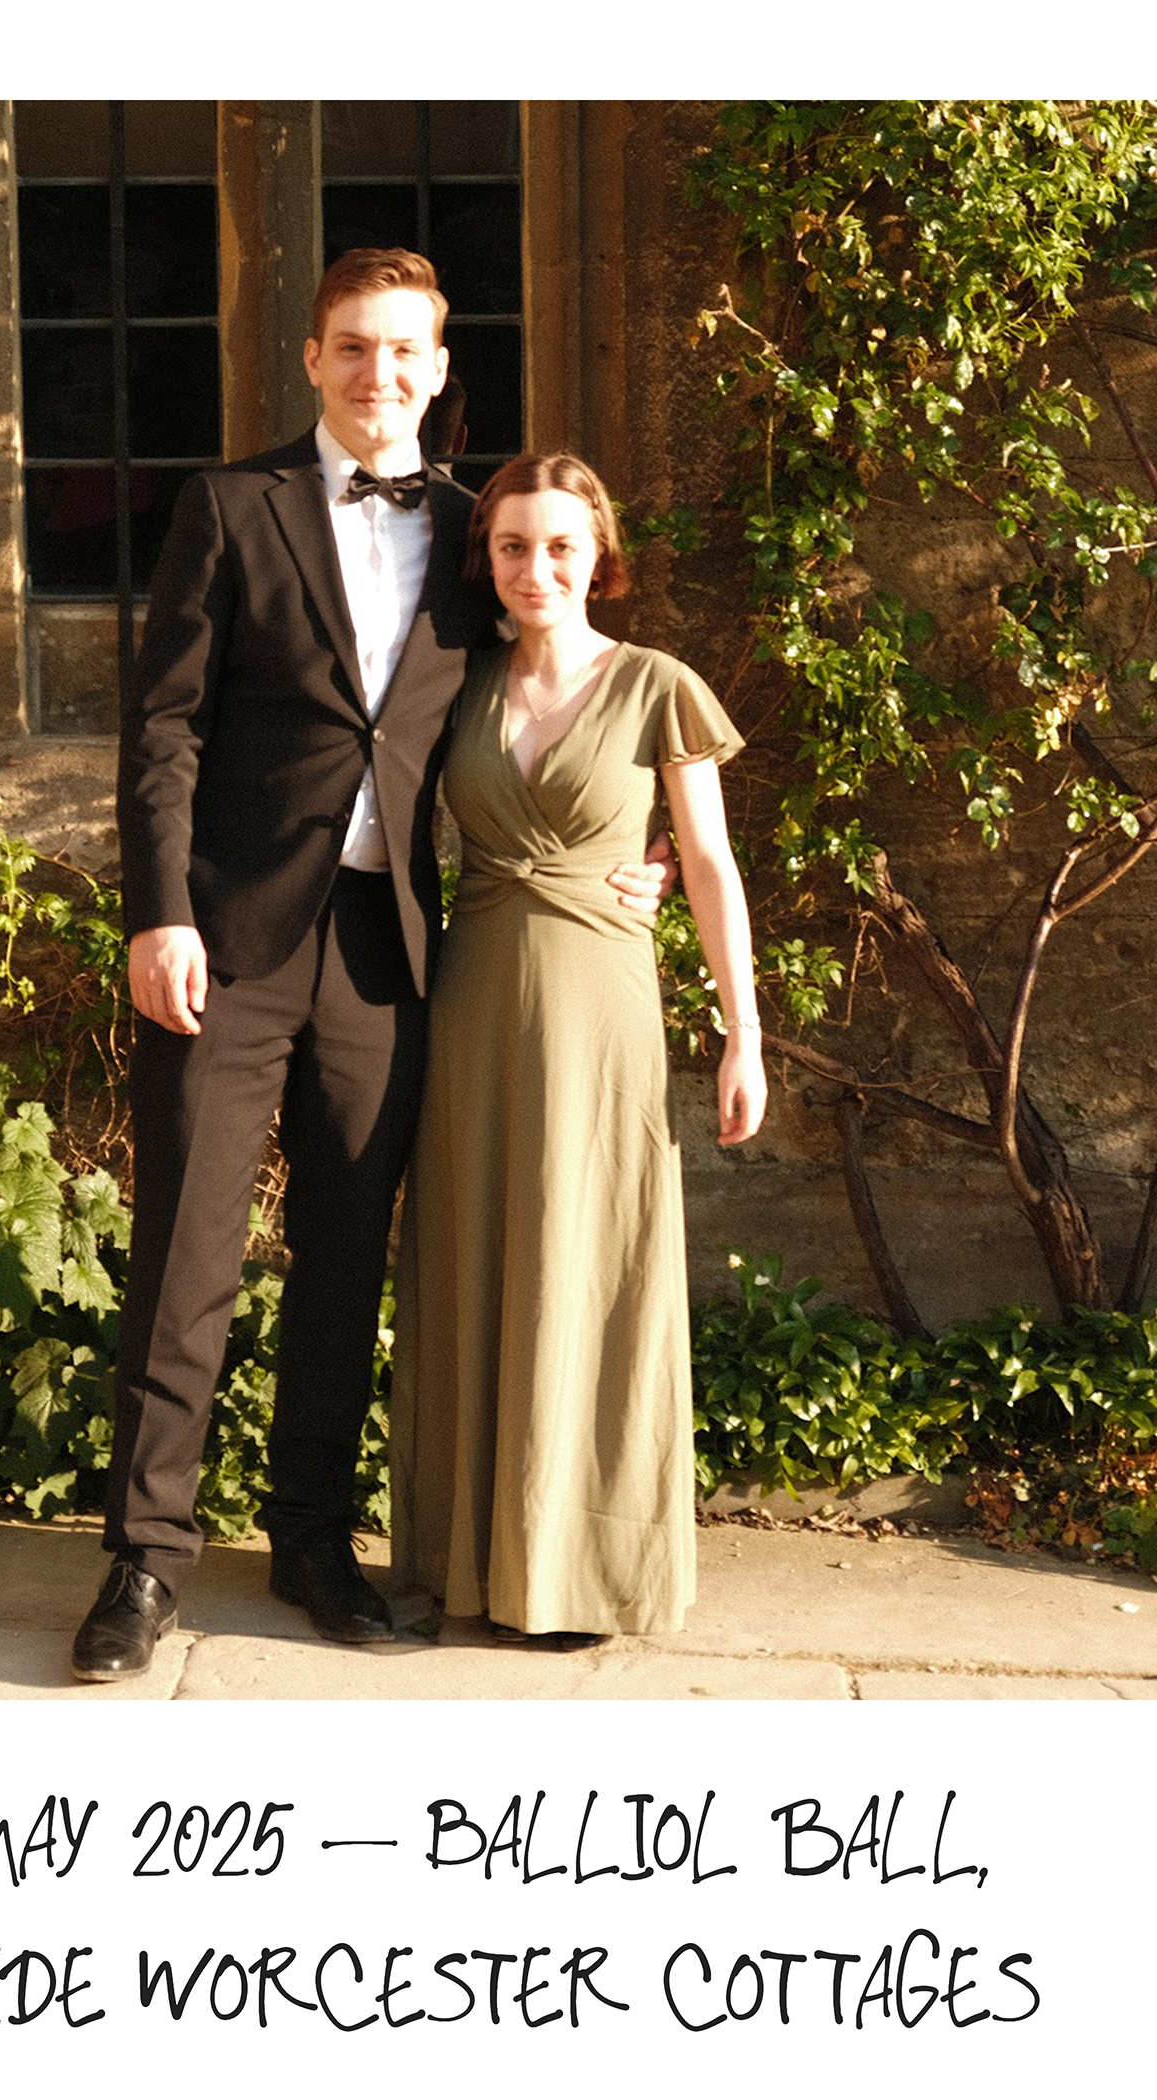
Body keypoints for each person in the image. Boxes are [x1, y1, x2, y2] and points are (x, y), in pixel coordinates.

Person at [73, 255, 669, 1681]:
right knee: (184, 1257)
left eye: (404, 350)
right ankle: (142, 1568)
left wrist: (622, 856)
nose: (378, 372)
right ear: (310, 358)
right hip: (224, 939)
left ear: (441, 365)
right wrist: (158, 913)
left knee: (346, 1259)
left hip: (393, 955)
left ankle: (311, 1546)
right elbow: (161, 730)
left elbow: (571, 685)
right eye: (352, 347)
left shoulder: (483, 534)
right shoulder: (228, 506)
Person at [389, 452, 767, 1649]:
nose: (535, 567)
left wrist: (742, 1034)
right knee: (476, 1257)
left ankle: (584, 1570)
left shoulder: (656, 683)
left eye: (559, 546)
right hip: (472, 1004)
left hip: (601, 1007)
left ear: (598, 555)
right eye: (511, 546)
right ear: (485, 560)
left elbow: (706, 863)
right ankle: (469, 1560)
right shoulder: (455, 684)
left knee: (592, 1258)